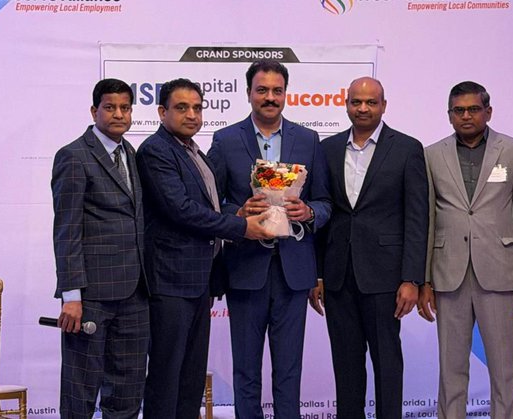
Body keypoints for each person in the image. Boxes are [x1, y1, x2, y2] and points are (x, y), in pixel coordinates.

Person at [136, 78, 274, 419]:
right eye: (182, 108)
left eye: (197, 108)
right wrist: (242, 227)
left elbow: (209, 207)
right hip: (170, 281)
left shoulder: (195, 152)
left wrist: (238, 214)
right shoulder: (156, 150)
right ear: (162, 111)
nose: (191, 115)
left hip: (199, 281)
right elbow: (180, 209)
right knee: (167, 376)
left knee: (191, 378)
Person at [207, 60, 331, 419]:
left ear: (286, 94)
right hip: (245, 268)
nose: (270, 97)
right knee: (246, 370)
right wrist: (237, 212)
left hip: (294, 271)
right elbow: (210, 202)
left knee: (289, 370)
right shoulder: (226, 140)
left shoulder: (307, 140)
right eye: (262, 90)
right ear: (249, 93)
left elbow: (325, 202)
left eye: (277, 90)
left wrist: (309, 211)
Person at [309, 77, 428, 418]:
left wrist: (411, 278)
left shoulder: (407, 148)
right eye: (356, 102)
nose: (363, 108)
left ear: (383, 106)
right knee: (346, 365)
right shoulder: (327, 149)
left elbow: (417, 217)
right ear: (346, 104)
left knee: (387, 363)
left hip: (386, 277)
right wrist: (317, 274)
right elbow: (323, 213)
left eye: (371, 102)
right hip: (338, 275)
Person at [417, 81, 513, 419]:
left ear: (488, 112)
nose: (466, 116)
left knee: (504, 369)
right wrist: (425, 280)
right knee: (451, 369)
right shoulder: (431, 154)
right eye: (459, 110)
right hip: (448, 273)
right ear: (449, 115)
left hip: (501, 271)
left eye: (473, 109)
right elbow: (428, 218)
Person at [51, 78, 150, 418]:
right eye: (110, 107)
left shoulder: (131, 153)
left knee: (128, 389)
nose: (118, 114)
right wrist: (71, 296)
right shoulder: (73, 156)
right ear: (94, 111)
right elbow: (66, 229)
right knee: (80, 390)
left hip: (135, 292)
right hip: (90, 295)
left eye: (125, 108)